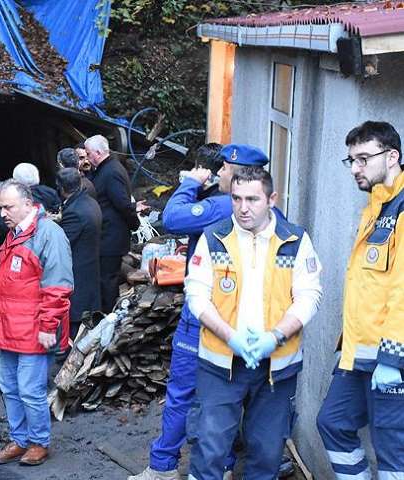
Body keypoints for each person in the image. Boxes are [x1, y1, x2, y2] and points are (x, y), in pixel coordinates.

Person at [131, 143, 281, 480]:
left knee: (185, 392)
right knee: (223, 396)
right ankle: (224, 466)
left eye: (223, 169)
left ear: (236, 173)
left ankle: (164, 466)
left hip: (204, 315)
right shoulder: (270, 215)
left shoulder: (219, 205)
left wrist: (190, 183)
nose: (218, 174)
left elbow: (171, 218)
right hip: (238, 319)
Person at [184, 167, 322, 480]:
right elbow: (196, 295)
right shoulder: (215, 237)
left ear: (272, 199)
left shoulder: (294, 241)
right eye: (236, 198)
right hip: (220, 364)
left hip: (276, 367)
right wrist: (229, 336)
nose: (243, 207)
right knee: (209, 448)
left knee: (267, 454)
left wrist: (274, 337)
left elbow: (309, 297)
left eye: (252, 199)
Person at [316, 121, 404, 480]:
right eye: (351, 160)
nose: (355, 168)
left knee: (392, 455)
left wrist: (392, 359)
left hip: (390, 358)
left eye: (364, 159)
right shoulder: (375, 207)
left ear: (392, 156)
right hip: (359, 355)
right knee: (332, 422)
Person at [0, 180, 73, 467]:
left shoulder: (49, 234)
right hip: (9, 326)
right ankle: (20, 439)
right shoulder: (16, 234)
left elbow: (58, 285)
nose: (2, 213)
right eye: (0, 207)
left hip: (34, 329)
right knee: (9, 386)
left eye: (8, 207)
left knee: (30, 389)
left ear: (27, 204)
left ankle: (38, 441)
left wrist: (48, 326)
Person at [86, 134, 140, 312]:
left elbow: (123, 204)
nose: (87, 158)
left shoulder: (111, 172)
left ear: (98, 152)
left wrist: (135, 223)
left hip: (111, 236)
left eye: (88, 153)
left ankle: (107, 317)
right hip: (106, 234)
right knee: (104, 279)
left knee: (107, 280)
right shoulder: (103, 169)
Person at [57, 168, 101, 340]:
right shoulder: (90, 201)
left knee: (76, 321)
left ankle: (70, 352)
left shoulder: (75, 211)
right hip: (90, 265)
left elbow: (62, 244)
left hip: (78, 271)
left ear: (61, 188)